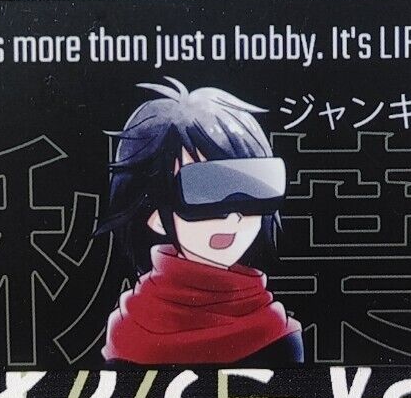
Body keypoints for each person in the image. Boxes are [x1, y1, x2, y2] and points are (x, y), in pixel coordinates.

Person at [99, 79, 303, 365]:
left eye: (251, 187)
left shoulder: (278, 332)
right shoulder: (129, 331)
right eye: (204, 189)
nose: (233, 214)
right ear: (156, 216)